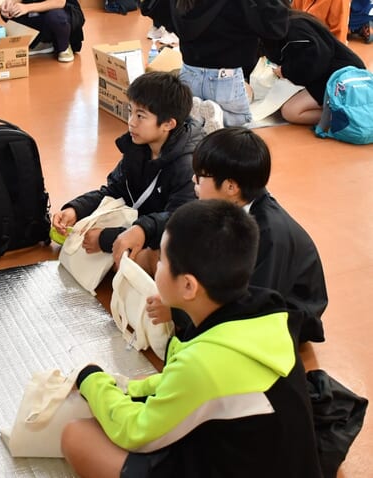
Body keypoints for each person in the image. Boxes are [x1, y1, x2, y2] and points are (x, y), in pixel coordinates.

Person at [61, 199, 323, 478]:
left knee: (76, 436)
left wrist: (91, 379)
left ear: (188, 286)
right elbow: (177, 380)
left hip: (231, 462)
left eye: (162, 260)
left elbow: (136, 432)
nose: (156, 265)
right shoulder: (264, 313)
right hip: (268, 458)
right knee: (139, 388)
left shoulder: (203, 363)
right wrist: (126, 388)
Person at [139, 128, 327, 344]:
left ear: (230, 186)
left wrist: (178, 312)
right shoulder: (233, 204)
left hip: (287, 316)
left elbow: (254, 306)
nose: (193, 179)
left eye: (200, 176)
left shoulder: (270, 235)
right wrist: (144, 230)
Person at [52, 71, 203, 276]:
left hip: (167, 239)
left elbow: (177, 223)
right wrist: (76, 209)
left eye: (140, 116)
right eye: (130, 111)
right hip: (140, 224)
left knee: (141, 262)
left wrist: (107, 239)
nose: (131, 122)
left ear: (168, 123)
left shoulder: (187, 166)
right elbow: (115, 190)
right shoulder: (138, 147)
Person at [141, 0, 290, 127]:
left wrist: (175, 25)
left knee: (191, 137)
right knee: (234, 140)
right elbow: (277, 27)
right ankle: (219, 117)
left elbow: (151, 6)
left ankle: (203, 117)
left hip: (189, 73)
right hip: (227, 78)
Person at [261, 10, 366, 125]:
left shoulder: (294, 28)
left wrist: (285, 71)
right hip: (325, 72)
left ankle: (350, 117)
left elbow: (316, 60)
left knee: (291, 111)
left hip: (340, 75)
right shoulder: (288, 21)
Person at [0, 0, 84, 63]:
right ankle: (44, 43)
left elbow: (59, 2)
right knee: (10, 13)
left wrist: (27, 8)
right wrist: (10, 3)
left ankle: (64, 45)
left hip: (61, 10)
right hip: (38, 9)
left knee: (55, 17)